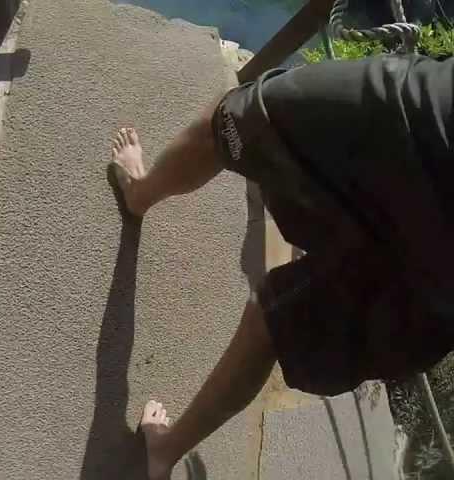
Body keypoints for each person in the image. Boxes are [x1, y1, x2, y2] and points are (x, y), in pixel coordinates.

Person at [109, 54, 454, 480]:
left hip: (427, 121)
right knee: (274, 319)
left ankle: (140, 194)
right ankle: (164, 453)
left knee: (238, 117)